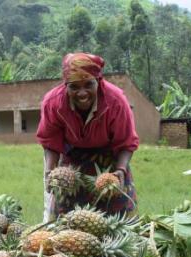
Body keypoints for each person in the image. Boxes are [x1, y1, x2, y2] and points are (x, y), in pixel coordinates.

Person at [36, 53, 139, 221]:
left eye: (88, 84)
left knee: (120, 216)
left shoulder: (116, 101)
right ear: (65, 85)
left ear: (98, 81)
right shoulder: (53, 102)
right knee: (64, 217)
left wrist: (120, 170)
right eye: (74, 87)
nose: (82, 93)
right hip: (72, 156)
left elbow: (126, 142)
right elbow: (51, 142)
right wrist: (49, 170)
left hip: (110, 157)